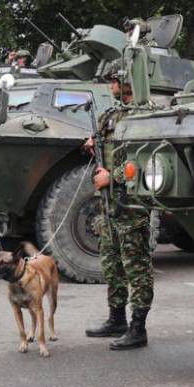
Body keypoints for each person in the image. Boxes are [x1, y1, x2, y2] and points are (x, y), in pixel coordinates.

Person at [84, 73, 154, 351]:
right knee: (111, 263)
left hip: (131, 203)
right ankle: (117, 319)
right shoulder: (111, 115)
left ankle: (139, 328)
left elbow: (147, 161)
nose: (110, 85)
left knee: (136, 266)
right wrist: (92, 143)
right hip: (109, 205)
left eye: (114, 79)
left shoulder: (145, 115)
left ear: (128, 81)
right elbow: (107, 147)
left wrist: (112, 177)